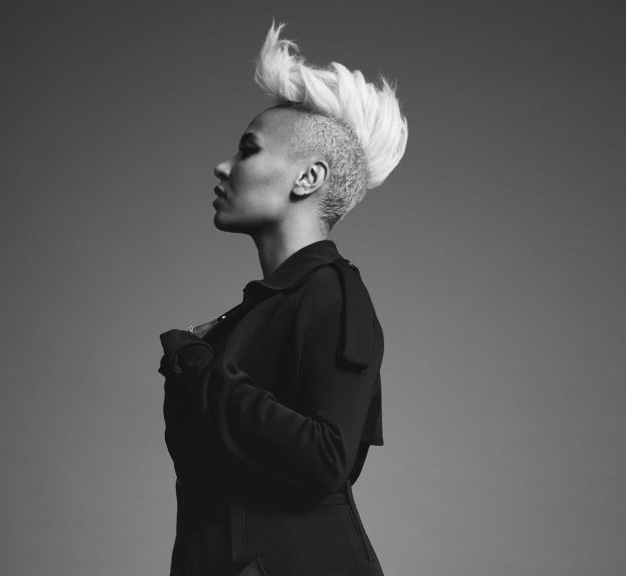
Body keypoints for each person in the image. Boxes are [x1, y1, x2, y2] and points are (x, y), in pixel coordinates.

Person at [158, 23, 407, 576]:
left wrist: (198, 368)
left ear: (308, 177)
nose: (224, 166)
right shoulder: (255, 313)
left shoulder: (334, 294)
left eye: (248, 150)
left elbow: (326, 459)